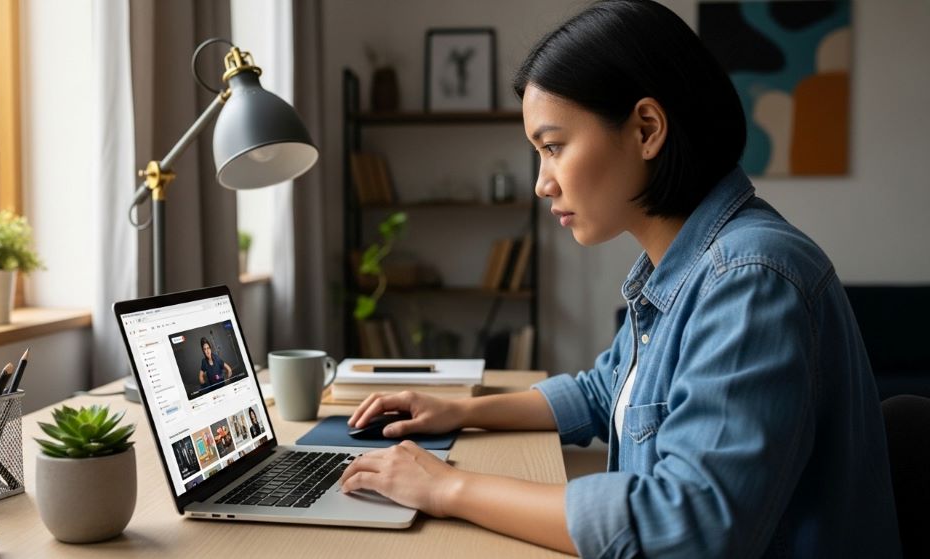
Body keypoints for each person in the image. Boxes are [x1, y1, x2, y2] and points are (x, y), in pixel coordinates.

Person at [338, 1, 901, 557]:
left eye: (553, 147)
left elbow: (685, 527)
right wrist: (461, 410)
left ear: (647, 129)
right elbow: (605, 389)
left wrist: (447, 488)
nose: (542, 183)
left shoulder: (748, 280)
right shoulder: (683, 265)